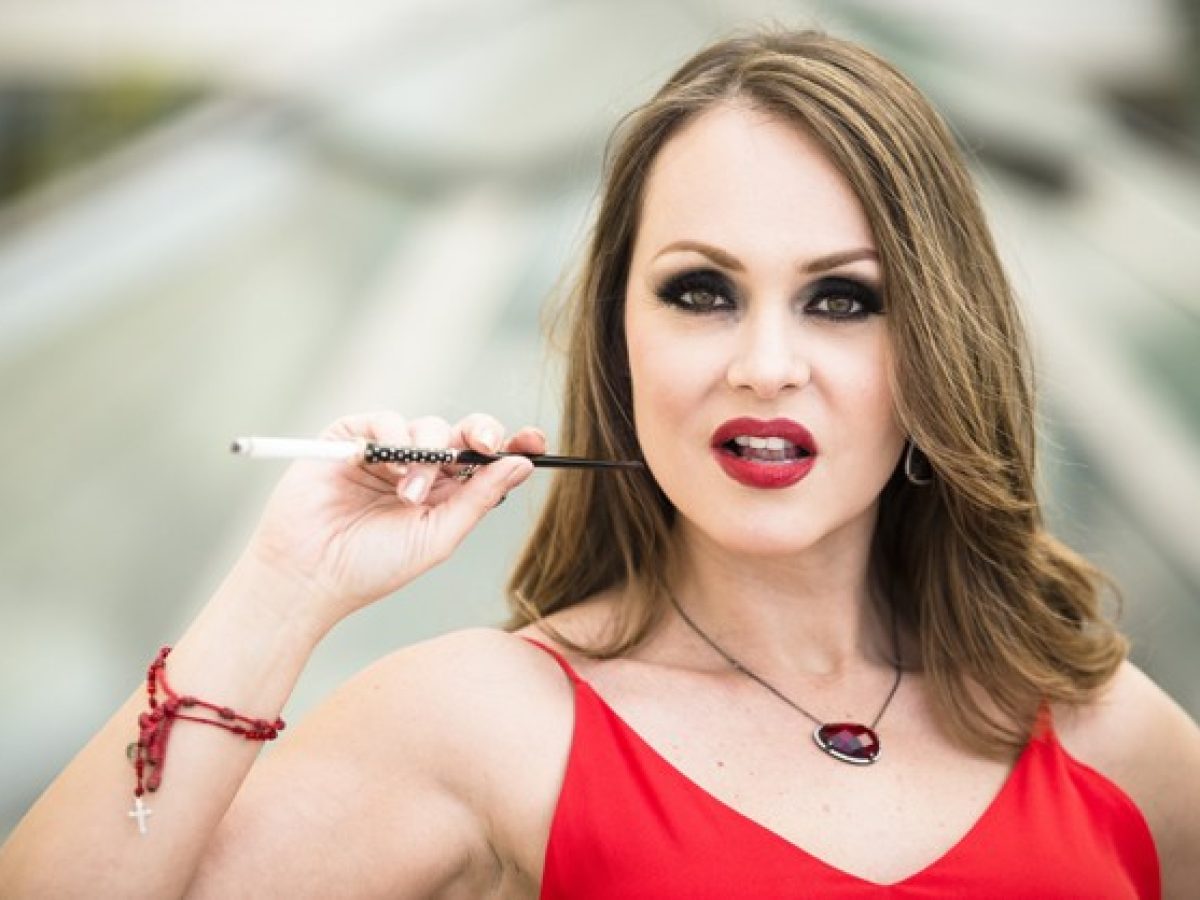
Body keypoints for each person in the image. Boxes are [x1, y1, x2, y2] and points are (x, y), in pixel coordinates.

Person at [1, 26, 1197, 899]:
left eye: (842, 299)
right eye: (701, 291)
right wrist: (283, 586)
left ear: (937, 339)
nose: (765, 365)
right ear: (621, 337)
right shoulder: (488, 723)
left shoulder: (1107, 734)